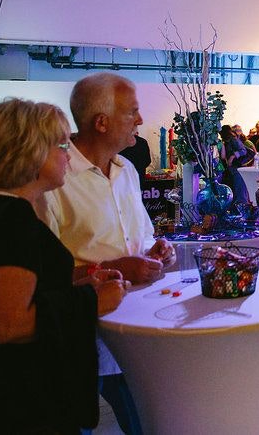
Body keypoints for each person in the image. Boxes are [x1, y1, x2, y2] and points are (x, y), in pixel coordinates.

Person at [0, 99, 127, 434]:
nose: (68, 156)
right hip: (11, 404)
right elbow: (6, 325)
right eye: (62, 146)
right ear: (29, 152)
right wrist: (93, 301)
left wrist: (81, 281)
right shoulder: (11, 219)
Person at [42, 72, 176, 435]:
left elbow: (142, 237)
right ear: (101, 122)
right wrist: (118, 268)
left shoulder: (127, 170)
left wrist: (157, 252)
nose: (141, 120)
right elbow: (40, 273)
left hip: (134, 328)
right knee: (69, 422)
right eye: (132, 111)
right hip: (80, 334)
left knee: (148, 422)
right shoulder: (54, 178)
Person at [219, 125, 251, 206]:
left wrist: (233, 156)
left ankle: (242, 206)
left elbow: (243, 150)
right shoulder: (226, 142)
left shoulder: (233, 140)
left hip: (237, 167)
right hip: (232, 168)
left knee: (239, 187)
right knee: (236, 187)